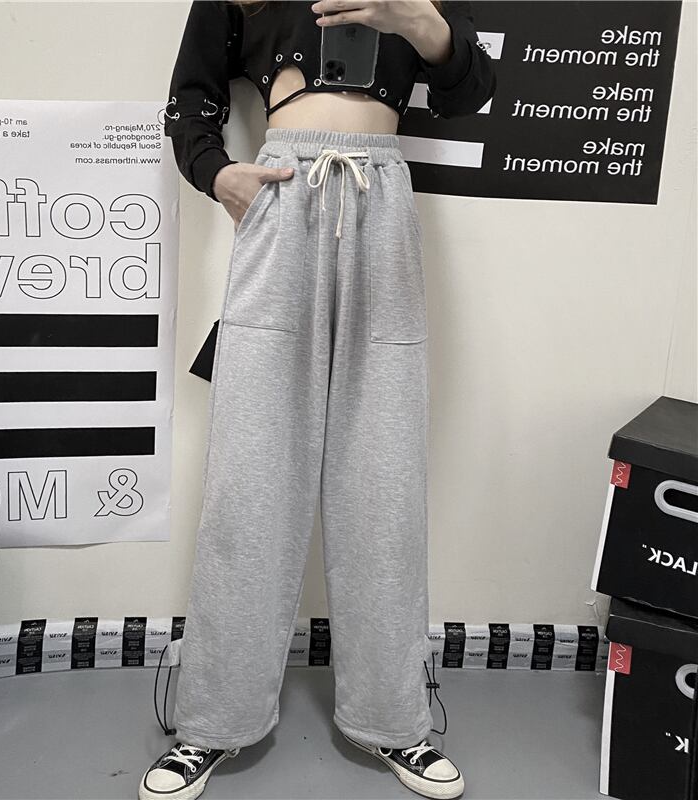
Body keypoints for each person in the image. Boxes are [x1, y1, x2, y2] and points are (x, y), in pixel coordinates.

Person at [140, 1, 496, 798]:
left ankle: (394, 719)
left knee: (383, 479)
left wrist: (422, 24)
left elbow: (472, 89)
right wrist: (217, 172)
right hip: (281, 196)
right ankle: (212, 723)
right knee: (251, 479)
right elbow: (192, 94)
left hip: (384, 201)